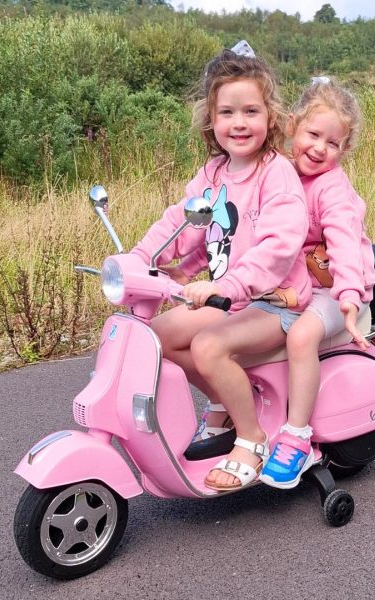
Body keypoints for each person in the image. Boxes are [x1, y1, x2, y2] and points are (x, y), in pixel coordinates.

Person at [131, 42, 312, 491]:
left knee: (209, 346)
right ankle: (228, 401)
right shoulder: (212, 174)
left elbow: (278, 248)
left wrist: (227, 284)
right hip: (229, 299)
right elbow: (180, 221)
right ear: (211, 119)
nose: (239, 123)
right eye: (227, 112)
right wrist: (139, 258)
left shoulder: (276, 173)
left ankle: (253, 438)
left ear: (270, 117)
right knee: (154, 339)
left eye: (251, 111)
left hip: (275, 304)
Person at [258, 77, 375, 489]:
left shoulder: (331, 188)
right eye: (313, 134)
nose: (320, 148)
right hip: (295, 284)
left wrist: (349, 297)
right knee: (233, 321)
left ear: (344, 151)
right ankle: (233, 413)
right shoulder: (280, 173)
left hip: (336, 289)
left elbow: (344, 242)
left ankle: (296, 436)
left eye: (333, 143)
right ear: (292, 127)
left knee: (301, 337)